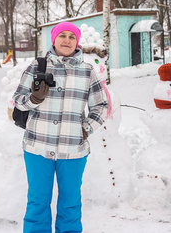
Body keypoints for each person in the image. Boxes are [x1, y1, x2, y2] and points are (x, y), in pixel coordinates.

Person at [13, 21, 108, 233]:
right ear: (54, 39)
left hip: (73, 149)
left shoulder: (87, 71)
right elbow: (18, 100)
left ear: (77, 42)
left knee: (70, 203)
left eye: (72, 37)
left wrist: (86, 128)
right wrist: (33, 99)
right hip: (37, 147)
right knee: (37, 202)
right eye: (62, 35)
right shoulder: (37, 67)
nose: (67, 40)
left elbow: (100, 106)